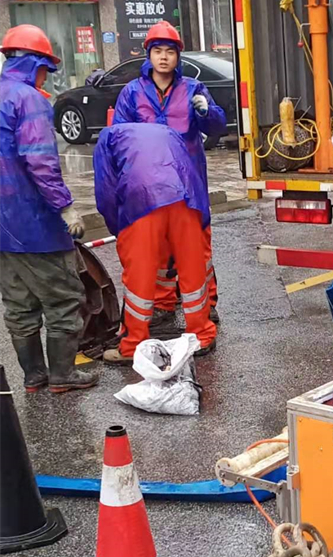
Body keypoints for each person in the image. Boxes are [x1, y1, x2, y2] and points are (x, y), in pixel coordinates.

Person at [0, 24, 98, 393]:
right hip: (34, 223)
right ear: (34, 64)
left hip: (2, 228)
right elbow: (40, 160)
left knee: (19, 304)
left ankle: (34, 376)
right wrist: (65, 207)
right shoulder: (29, 100)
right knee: (63, 299)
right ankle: (62, 375)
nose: (46, 77)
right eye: (45, 69)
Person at [112, 21, 225, 332]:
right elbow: (119, 137)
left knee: (197, 249)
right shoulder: (132, 93)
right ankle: (162, 305)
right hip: (149, 186)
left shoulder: (193, 89)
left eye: (170, 52)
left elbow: (218, 127)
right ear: (149, 55)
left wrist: (206, 112)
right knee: (159, 249)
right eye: (158, 51)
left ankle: (207, 304)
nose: (163, 57)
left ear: (178, 57)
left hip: (188, 184)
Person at [94, 121, 217, 362]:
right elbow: (191, 168)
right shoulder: (167, 131)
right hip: (187, 197)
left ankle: (133, 345)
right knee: (192, 267)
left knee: (139, 275)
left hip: (142, 200)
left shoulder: (107, 137)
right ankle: (201, 335)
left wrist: (119, 228)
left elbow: (106, 189)